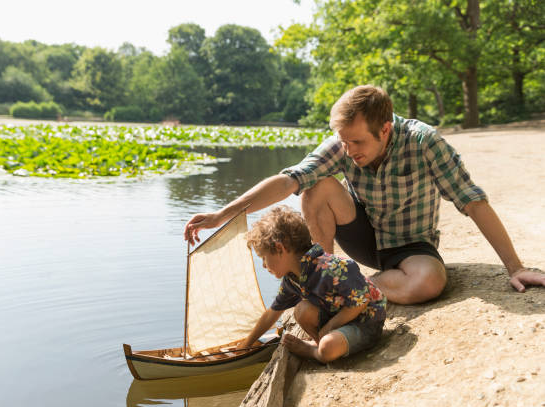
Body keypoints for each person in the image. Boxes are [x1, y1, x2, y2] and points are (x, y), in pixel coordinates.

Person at [184, 85, 545, 304]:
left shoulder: (424, 142)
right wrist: (222, 214)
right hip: (363, 235)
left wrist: (515, 267)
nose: (349, 149)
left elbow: (472, 201)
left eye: (356, 142)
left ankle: (348, 288)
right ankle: (321, 280)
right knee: (317, 186)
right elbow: (287, 181)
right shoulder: (344, 143)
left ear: (385, 129)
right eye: (343, 140)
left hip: (411, 245)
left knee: (430, 282)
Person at [237, 205, 386, 362]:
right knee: (302, 311)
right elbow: (272, 313)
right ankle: (320, 344)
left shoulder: (331, 268)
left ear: (280, 248)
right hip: (341, 319)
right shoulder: (291, 279)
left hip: (365, 324)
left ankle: (316, 352)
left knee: (328, 347)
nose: (264, 266)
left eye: (264, 258)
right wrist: (246, 344)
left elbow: (360, 303)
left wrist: (330, 327)